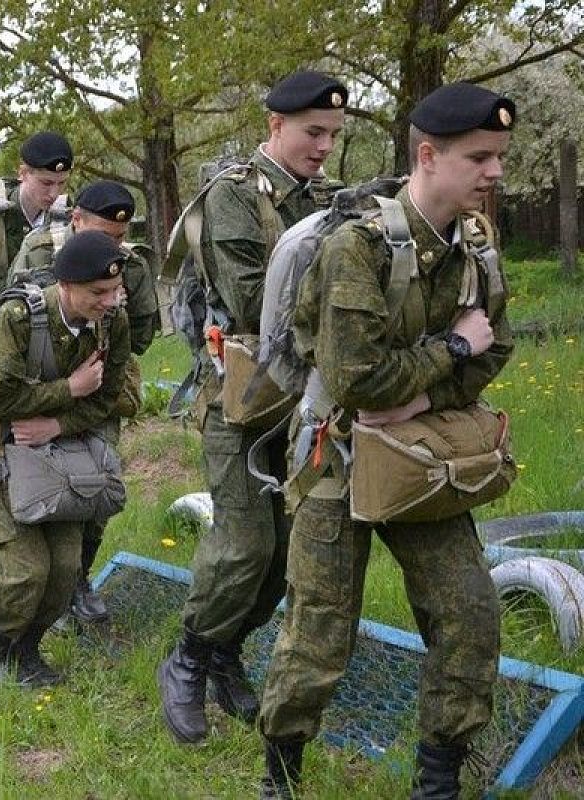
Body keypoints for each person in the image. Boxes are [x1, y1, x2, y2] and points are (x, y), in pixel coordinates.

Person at [256, 83, 515, 799]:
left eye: (500, 157)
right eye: (480, 157)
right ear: (428, 156)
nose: (495, 172)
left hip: (419, 461)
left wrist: (426, 394)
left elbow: (497, 348)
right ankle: (281, 772)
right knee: (319, 632)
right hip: (334, 458)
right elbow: (357, 379)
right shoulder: (356, 247)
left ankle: (438, 780)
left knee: (469, 615)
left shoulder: (475, 245)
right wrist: (452, 353)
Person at [157, 70, 348, 745]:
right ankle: (185, 658)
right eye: (312, 132)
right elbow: (250, 302)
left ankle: (223, 658)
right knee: (244, 545)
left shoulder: (328, 200)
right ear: (275, 126)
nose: (324, 147)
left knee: (281, 560)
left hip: (303, 406)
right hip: (241, 400)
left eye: (332, 135)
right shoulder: (237, 196)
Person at [0, 230, 130, 687]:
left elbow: (110, 399)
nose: (109, 301)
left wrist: (57, 424)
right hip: (6, 458)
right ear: (66, 286)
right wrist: (69, 389)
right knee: (26, 570)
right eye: (98, 293)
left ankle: (28, 649)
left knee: (64, 570)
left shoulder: (111, 322)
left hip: (65, 460)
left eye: (115, 291)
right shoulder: (20, 317)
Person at [7, 179, 160, 623]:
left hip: (101, 386)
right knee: (42, 481)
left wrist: (115, 320)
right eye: (101, 234)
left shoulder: (130, 265)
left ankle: (77, 578)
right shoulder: (38, 252)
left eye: (118, 237)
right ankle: (39, 579)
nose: (114, 245)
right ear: (76, 220)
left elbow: (145, 333)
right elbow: (13, 315)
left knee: (98, 482)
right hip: (43, 383)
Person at [0, 130, 74, 602]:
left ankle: (53, 564)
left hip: (45, 349)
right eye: (45, 183)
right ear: (22, 173)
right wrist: (25, 297)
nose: (53, 194)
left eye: (60, 184)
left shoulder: (66, 217)